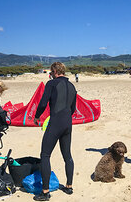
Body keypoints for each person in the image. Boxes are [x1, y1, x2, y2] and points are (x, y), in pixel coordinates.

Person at [33, 62, 77, 201]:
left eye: (51, 72)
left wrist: (37, 116)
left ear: (55, 71)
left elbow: (42, 103)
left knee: (45, 155)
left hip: (55, 123)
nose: (50, 75)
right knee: (67, 155)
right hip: (67, 124)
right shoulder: (72, 86)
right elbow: (73, 108)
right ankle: (69, 187)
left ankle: (45, 192)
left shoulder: (51, 84)